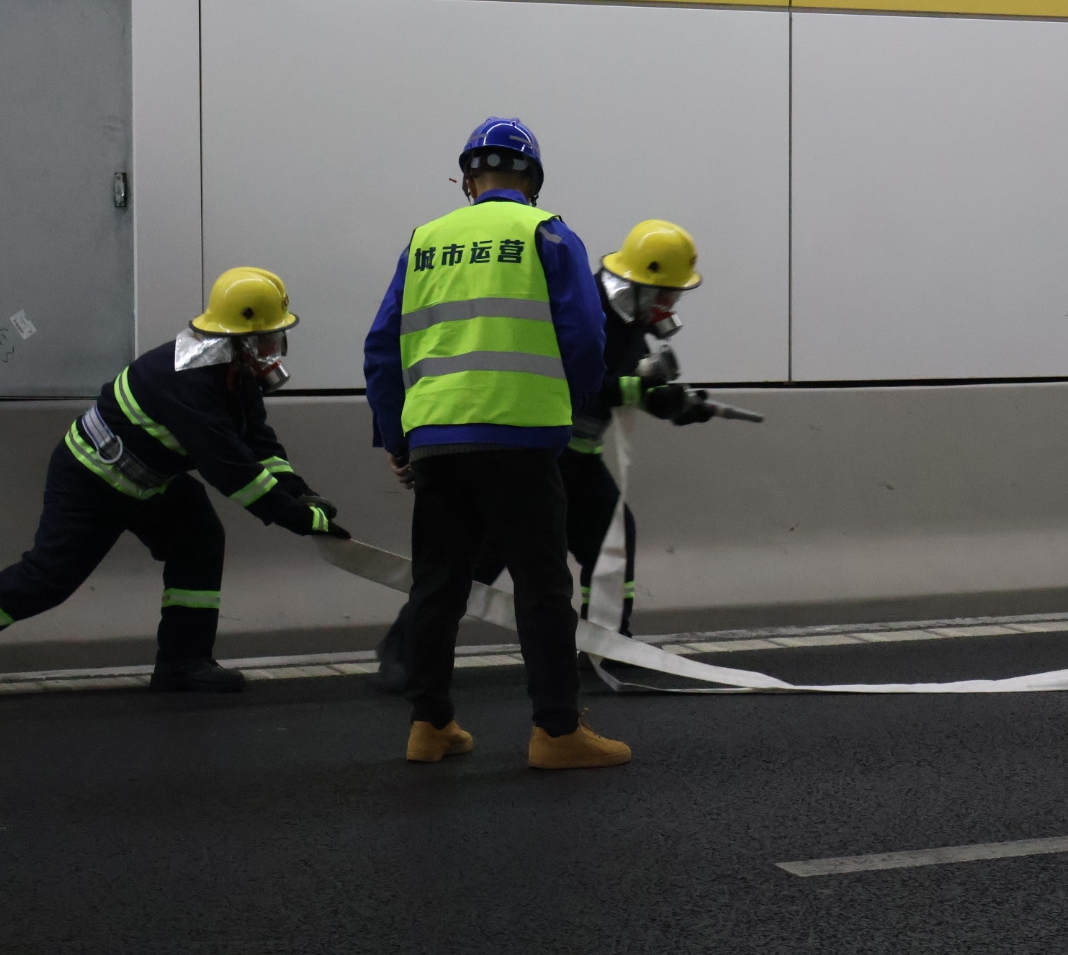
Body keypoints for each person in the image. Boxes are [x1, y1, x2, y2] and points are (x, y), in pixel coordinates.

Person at [363, 116, 631, 769]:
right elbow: (586, 338)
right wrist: (568, 404)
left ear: (468, 181)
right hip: (520, 438)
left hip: (437, 439)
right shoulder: (547, 233)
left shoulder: (424, 241)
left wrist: (397, 438)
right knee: (542, 587)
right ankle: (556, 733)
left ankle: (429, 726)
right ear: (531, 180)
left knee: (437, 585)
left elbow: (382, 348)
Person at [372, 220, 710, 692]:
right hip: (538, 451)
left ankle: (609, 641)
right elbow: (579, 381)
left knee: (610, 540)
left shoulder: (633, 319)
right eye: (667, 294)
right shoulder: (593, 309)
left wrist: (675, 404)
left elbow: (624, 380)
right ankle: (402, 650)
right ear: (642, 283)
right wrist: (640, 387)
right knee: (480, 557)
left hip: (578, 458)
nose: (670, 306)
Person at [0, 267, 347, 692]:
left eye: (277, 338)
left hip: (149, 480)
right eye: (267, 340)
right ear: (241, 341)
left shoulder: (233, 373)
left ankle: (183, 663)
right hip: (92, 481)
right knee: (46, 581)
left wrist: (299, 491)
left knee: (200, 539)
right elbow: (229, 468)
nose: (274, 350)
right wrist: (294, 517)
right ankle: (183, 661)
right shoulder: (189, 381)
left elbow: (257, 441)